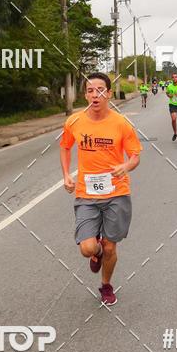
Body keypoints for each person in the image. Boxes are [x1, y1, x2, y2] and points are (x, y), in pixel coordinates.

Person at [60, 72, 142, 306]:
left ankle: (106, 285)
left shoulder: (122, 123)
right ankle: (94, 252)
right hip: (87, 194)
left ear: (109, 93)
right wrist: (66, 175)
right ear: (85, 95)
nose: (94, 94)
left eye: (100, 90)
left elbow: (135, 156)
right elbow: (65, 147)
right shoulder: (74, 121)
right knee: (88, 249)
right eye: (90, 90)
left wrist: (125, 166)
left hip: (116, 192)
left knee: (110, 246)